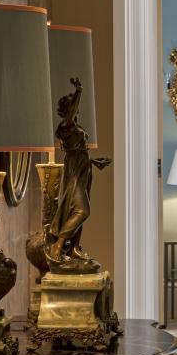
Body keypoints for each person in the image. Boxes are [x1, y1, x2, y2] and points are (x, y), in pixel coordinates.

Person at [48, 78, 111, 266]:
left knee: (79, 208)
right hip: (75, 169)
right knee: (82, 210)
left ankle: (74, 247)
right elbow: (73, 152)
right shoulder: (65, 127)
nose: (76, 110)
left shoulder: (75, 126)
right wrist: (79, 91)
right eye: (73, 107)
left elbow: (80, 149)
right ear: (68, 110)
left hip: (84, 168)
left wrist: (93, 161)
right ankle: (58, 245)